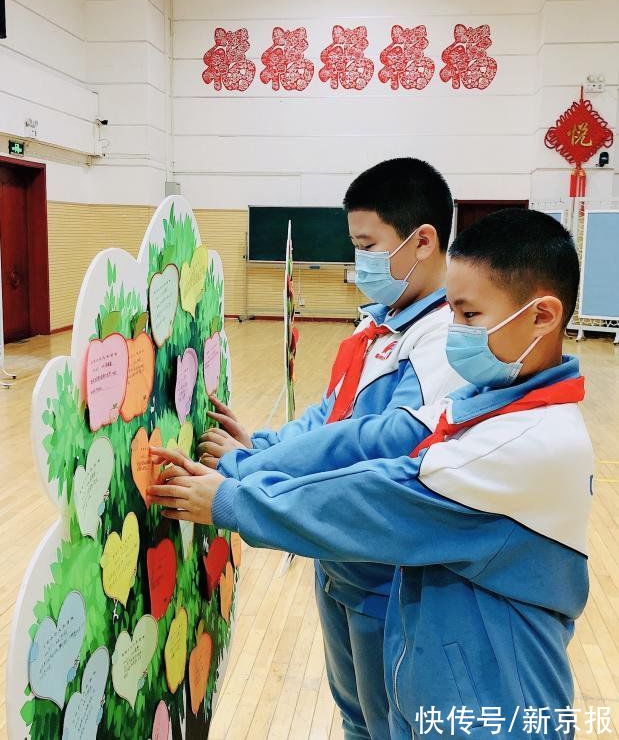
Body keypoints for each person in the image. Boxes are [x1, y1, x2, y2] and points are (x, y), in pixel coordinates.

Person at [149, 208, 593, 740]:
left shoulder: (521, 443)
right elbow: (345, 431)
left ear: (543, 316)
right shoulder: (488, 400)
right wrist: (258, 457)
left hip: (493, 710)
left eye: (470, 316)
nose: (455, 332)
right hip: (443, 684)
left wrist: (233, 498)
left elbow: (375, 494)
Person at [199, 157, 463, 739]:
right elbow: (331, 414)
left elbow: (378, 440)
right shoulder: (378, 325)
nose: (358, 261)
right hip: (337, 558)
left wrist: (251, 468)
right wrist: (263, 444)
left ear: (423, 242)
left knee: (389, 722)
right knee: (353, 715)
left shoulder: (441, 338)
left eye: (368, 246)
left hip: (386, 571)